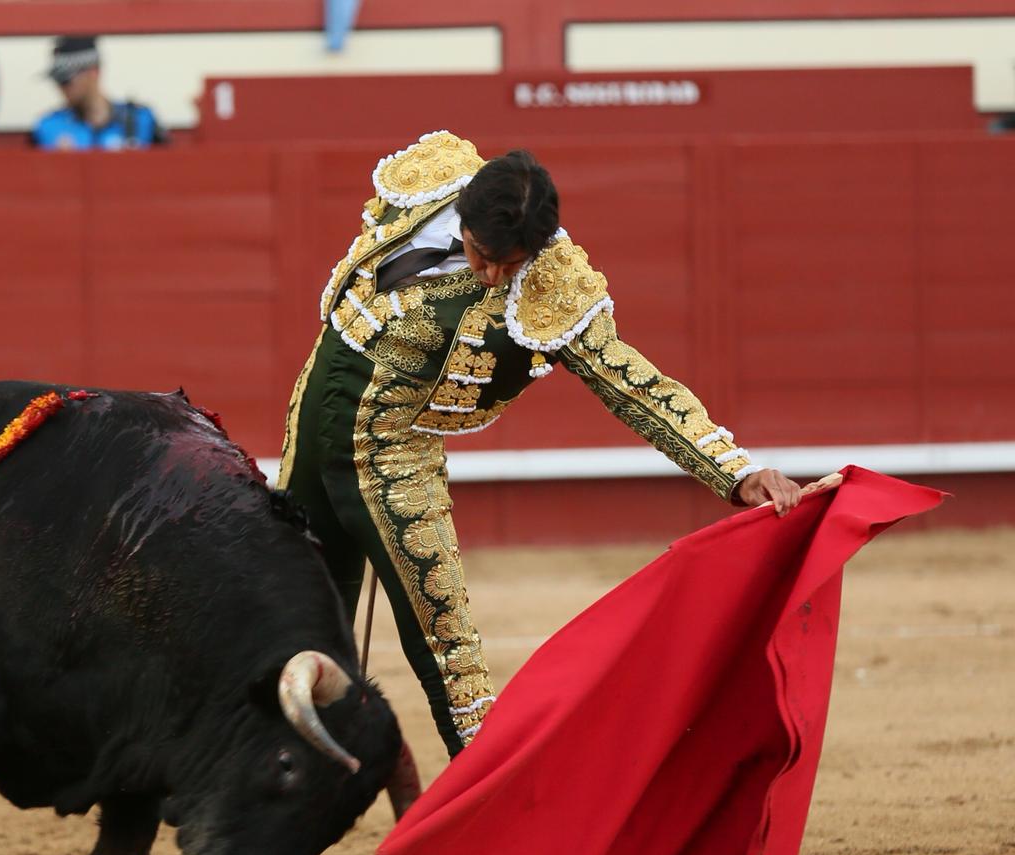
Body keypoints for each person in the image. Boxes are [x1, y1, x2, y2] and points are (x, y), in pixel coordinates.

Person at [278, 131, 804, 759]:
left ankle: (489, 816)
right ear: (463, 216)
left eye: (512, 263)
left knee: (450, 649)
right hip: (316, 410)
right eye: (482, 254)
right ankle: (277, 817)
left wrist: (736, 470)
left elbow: (632, 385)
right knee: (290, 608)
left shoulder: (555, 286)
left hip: (396, 453)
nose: (495, 274)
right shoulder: (428, 176)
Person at [32, 35, 162, 151]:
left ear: (93, 72)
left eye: (66, 80)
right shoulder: (49, 126)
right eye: (57, 81)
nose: (61, 88)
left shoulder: (139, 119)